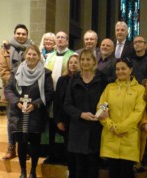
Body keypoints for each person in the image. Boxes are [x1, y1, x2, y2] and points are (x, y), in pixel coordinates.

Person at [5, 45, 54, 178]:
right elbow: (8, 90)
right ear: (25, 55)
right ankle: (23, 171)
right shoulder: (16, 72)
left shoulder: (46, 73)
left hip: (36, 113)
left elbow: (49, 93)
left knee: (34, 143)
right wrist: (17, 102)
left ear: (39, 57)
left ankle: (32, 171)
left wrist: (35, 104)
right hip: (19, 113)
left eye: (34, 54)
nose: (31, 57)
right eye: (29, 54)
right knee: (21, 143)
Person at [97, 58, 146, 178]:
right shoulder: (109, 88)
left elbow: (138, 112)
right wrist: (110, 125)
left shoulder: (140, 89)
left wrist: (121, 128)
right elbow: (101, 108)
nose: (120, 71)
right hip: (110, 136)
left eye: (123, 68)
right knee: (113, 172)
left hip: (129, 137)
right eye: (117, 69)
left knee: (127, 172)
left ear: (131, 70)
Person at [64, 49, 107, 178]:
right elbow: (67, 104)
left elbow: (107, 101)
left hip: (95, 128)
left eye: (88, 59)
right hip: (78, 129)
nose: (85, 62)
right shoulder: (74, 79)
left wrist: (102, 112)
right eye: (82, 59)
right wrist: (80, 114)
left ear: (94, 61)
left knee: (93, 167)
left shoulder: (101, 78)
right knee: (79, 168)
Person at [0, 24, 33, 159]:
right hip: (11, 89)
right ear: (14, 34)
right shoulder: (5, 48)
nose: (21, 36)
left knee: (25, 119)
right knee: (11, 120)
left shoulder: (31, 48)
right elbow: (2, 68)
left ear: (27, 35)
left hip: (27, 89)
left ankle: (24, 149)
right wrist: (15, 83)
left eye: (23, 34)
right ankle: (11, 147)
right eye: (18, 33)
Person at [44, 31, 74, 164]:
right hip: (50, 96)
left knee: (63, 125)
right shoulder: (49, 56)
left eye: (63, 38)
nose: (60, 39)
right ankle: (51, 153)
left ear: (67, 41)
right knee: (51, 124)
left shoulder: (73, 55)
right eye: (58, 37)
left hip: (65, 97)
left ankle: (64, 155)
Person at [53, 54, 80, 178]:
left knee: (79, 150)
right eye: (71, 62)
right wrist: (58, 120)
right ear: (68, 65)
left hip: (79, 120)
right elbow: (57, 102)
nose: (73, 64)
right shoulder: (62, 80)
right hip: (65, 120)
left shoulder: (83, 79)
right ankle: (71, 172)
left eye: (76, 62)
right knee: (68, 148)